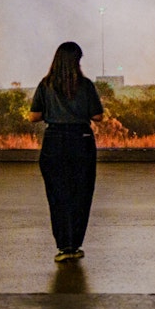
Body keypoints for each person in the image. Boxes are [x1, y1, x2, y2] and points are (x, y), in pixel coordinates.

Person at [28, 41, 104, 263]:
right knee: (81, 194)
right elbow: (98, 116)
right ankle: (75, 245)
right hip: (81, 140)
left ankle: (63, 246)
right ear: (77, 61)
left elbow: (34, 116)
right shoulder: (86, 85)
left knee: (58, 196)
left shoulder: (46, 84)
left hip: (54, 142)